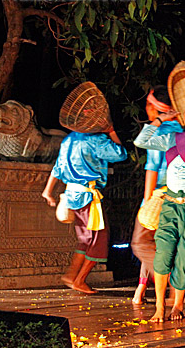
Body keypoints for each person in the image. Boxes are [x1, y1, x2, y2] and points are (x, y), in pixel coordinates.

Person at [134, 96, 185, 322]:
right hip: (170, 203)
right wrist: (160, 119)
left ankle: (178, 306)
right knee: (162, 254)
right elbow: (141, 141)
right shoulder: (171, 138)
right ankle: (159, 308)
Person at [42, 126, 127, 294]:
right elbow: (120, 154)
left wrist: (48, 191)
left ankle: (72, 275)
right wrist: (112, 132)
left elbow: (58, 167)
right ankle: (79, 280)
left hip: (72, 195)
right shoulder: (95, 140)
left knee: (87, 238)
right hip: (89, 197)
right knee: (99, 239)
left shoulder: (69, 139)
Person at [131, 86, 183, 305]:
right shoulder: (181, 129)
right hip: (179, 194)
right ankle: (141, 289)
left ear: (154, 108)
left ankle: (175, 281)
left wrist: (147, 201)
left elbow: (152, 168)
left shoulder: (158, 131)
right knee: (157, 243)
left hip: (159, 195)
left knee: (141, 243)